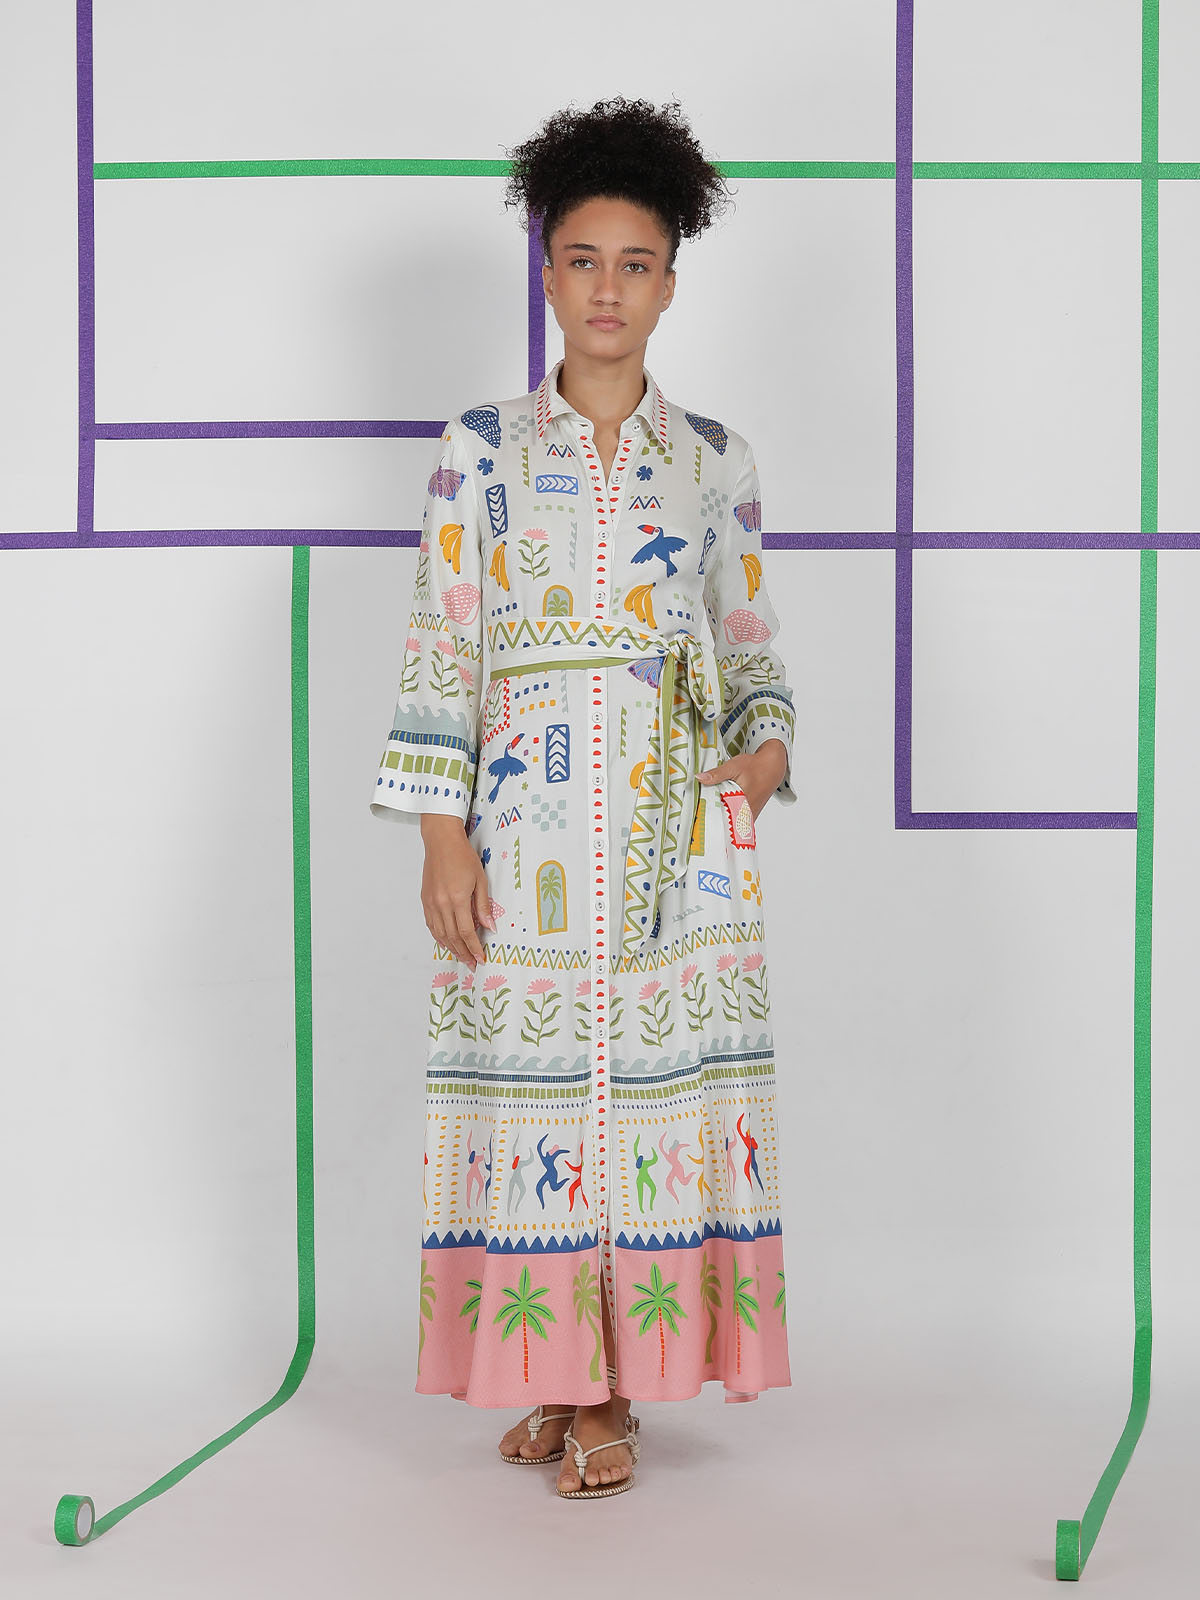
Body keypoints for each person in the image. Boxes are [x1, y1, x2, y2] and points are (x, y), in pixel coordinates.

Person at [369, 96, 798, 1501]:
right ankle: (562, 1373)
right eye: (581, 260)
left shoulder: (715, 458)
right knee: (541, 1090)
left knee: (648, 1095)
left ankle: (604, 1388)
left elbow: (751, 648)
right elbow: (443, 640)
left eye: (636, 263)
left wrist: (763, 760)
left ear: (672, 281)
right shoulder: (482, 448)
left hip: (678, 836)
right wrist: (442, 835)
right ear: (547, 272)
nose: (608, 288)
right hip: (526, 832)